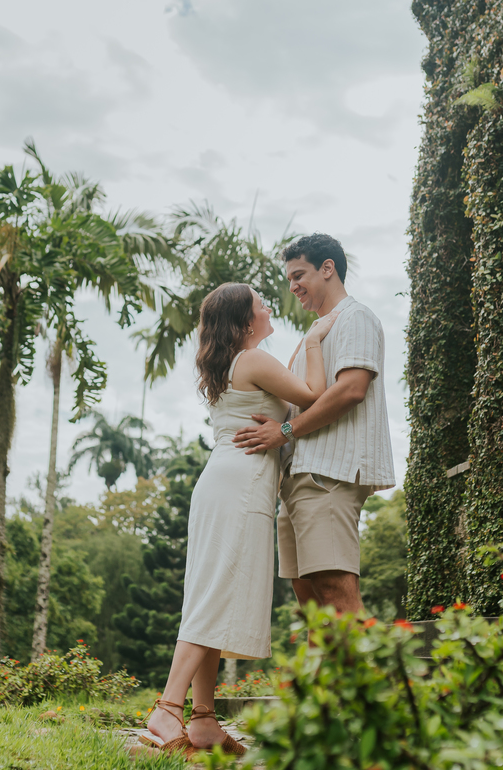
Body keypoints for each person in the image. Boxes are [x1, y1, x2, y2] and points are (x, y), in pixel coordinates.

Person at [141, 282, 338, 757]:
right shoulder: (251, 359)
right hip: (241, 486)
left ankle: (204, 720)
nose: (270, 308)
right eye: (261, 304)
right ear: (247, 321)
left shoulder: (234, 363)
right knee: (215, 595)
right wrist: (313, 341)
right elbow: (314, 395)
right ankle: (168, 707)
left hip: (224, 481)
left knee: (213, 592)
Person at [233, 233, 395, 615]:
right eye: (289, 279)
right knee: (313, 611)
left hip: (328, 477)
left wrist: (284, 431)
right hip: (298, 480)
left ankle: (369, 676)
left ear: (328, 268)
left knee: (337, 600)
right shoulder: (317, 331)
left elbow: (352, 389)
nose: (293, 287)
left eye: (299, 275)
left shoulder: (355, 318)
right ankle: (321, 679)